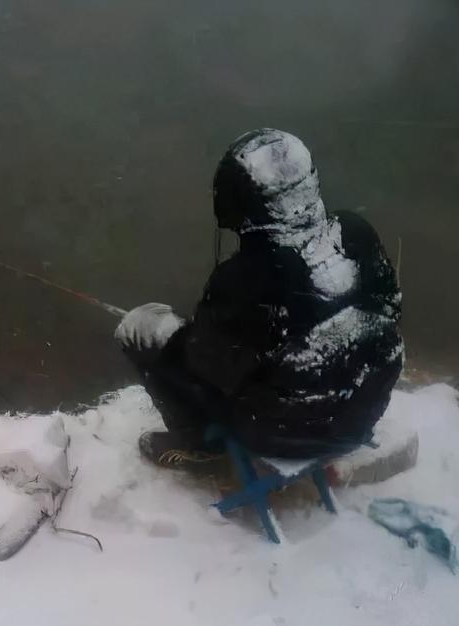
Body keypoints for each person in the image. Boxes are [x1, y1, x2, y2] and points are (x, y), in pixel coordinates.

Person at [115, 128, 403, 465]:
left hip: (281, 438)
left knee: (140, 329)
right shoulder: (356, 233)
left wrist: (183, 336)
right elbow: (391, 310)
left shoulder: (244, 277)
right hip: (359, 417)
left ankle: (198, 445)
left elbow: (206, 366)